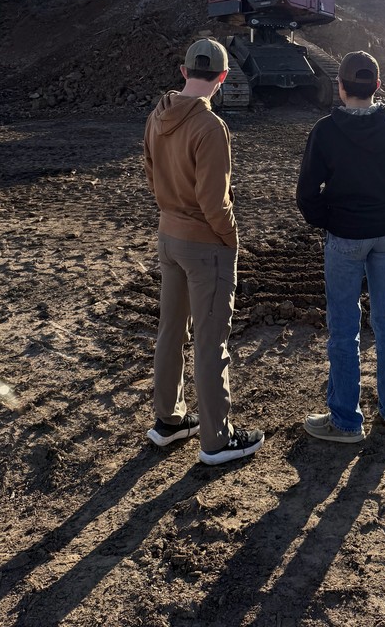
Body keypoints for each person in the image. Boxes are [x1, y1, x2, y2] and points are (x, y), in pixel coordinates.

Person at [296, 50, 385, 443]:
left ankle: (345, 421)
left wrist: (329, 220)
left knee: (343, 327)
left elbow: (306, 193)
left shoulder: (325, 131)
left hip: (344, 239)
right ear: (377, 86)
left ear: (339, 88)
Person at [143, 37, 264, 465]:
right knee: (211, 341)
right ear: (223, 78)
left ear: (184, 71)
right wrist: (230, 238)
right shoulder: (211, 127)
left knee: (170, 331)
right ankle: (216, 439)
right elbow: (216, 202)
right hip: (204, 245)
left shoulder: (158, 115)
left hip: (169, 236)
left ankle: (169, 421)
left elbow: (152, 172)